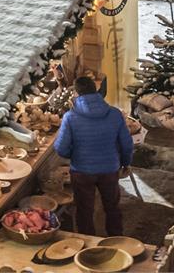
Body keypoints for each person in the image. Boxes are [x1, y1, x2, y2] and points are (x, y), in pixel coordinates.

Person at [51, 75, 133, 236]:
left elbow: (61, 148)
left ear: (76, 93)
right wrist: (125, 163)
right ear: (96, 91)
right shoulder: (115, 114)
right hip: (110, 169)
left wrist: (74, 155)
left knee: (84, 210)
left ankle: (88, 244)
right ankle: (117, 239)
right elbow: (127, 143)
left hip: (82, 171)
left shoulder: (70, 117)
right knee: (112, 207)